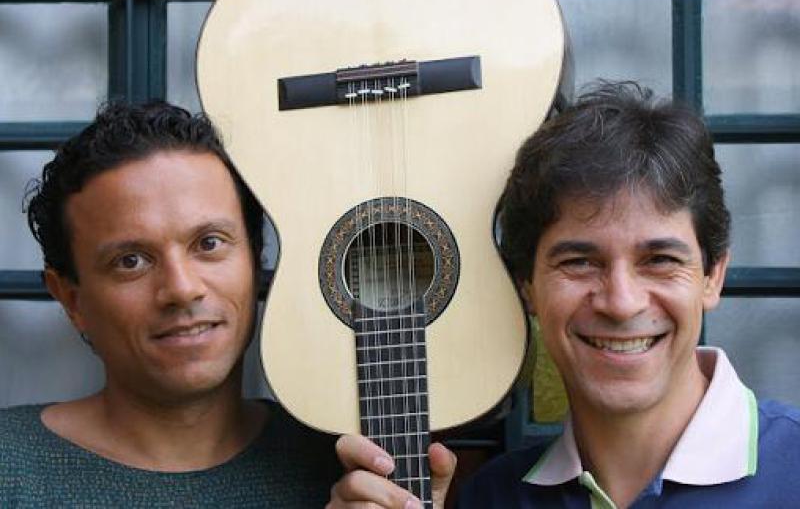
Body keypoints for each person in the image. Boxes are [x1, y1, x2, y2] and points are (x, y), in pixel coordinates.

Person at [330, 81, 800, 508]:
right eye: (579, 262)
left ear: (713, 275)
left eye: (659, 260)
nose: (621, 303)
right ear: (527, 286)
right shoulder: (492, 498)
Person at [1, 101, 341, 506]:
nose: (182, 289)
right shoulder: (10, 469)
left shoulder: (347, 460)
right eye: (131, 261)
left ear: (256, 258)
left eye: (209, 243)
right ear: (72, 300)